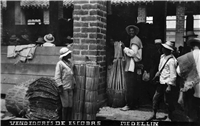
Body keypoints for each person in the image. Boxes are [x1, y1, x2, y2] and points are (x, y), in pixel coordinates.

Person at [149, 41, 178, 120]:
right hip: (161, 81)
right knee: (155, 98)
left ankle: (169, 116)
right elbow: (160, 67)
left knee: (167, 101)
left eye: (165, 48)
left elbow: (173, 74)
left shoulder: (172, 60)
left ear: (168, 50)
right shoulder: (162, 56)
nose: (163, 49)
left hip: (167, 82)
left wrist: (169, 86)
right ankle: (154, 114)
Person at [177, 38, 200, 122]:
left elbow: (179, 72)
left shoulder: (186, 57)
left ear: (191, 47)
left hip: (190, 88)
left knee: (191, 114)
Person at [120, 25, 143, 111]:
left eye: (132, 31)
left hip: (133, 64)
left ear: (135, 32)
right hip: (133, 64)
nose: (131, 32)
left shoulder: (135, 41)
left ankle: (129, 104)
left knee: (130, 86)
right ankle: (134, 104)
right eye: (130, 31)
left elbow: (133, 53)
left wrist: (124, 48)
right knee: (133, 86)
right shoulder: (134, 39)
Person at [55, 47, 75, 120]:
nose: (70, 54)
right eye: (68, 53)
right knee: (65, 106)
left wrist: (74, 83)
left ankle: (68, 120)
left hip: (70, 87)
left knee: (70, 106)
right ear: (65, 55)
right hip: (64, 88)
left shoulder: (70, 63)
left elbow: (72, 75)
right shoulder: (60, 64)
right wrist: (60, 86)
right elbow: (57, 76)